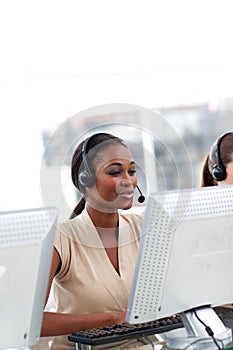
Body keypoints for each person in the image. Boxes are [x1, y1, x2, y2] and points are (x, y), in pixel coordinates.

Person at [41, 132, 145, 337]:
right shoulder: (59, 239)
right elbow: (29, 321)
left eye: (131, 171)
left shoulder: (144, 228)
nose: (128, 181)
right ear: (85, 179)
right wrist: (113, 319)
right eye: (115, 172)